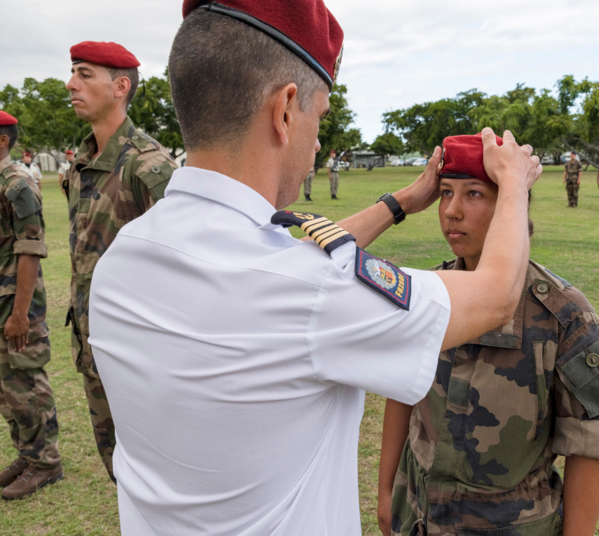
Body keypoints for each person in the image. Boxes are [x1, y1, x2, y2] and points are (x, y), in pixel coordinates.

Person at [87, 1, 540, 534]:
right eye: (318, 115)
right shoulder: (312, 295)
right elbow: (496, 294)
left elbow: (288, 262)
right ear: (284, 111)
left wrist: (398, 204)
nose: (318, 140)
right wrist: (514, 182)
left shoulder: (122, 258)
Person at [378, 134, 599, 536]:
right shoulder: (428, 292)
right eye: (445, 193)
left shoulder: (564, 315)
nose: (452, 211)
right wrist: (387, 491)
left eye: (474, 194)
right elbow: (401, 392)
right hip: (418, 516)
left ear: (512, 203)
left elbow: (588, 444)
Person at [63, 40, 178, 482]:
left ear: (120, 87)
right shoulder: (83, 162)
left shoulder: (149, 166)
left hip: (138, 354)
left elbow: (180, 268)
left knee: (153, 468)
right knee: (116, 464)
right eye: (72, 73)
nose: (71, 84)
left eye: (84, 74)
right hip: (93, 340)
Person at [0, 109, 63, 500]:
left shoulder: (17, 184)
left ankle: (46, 463)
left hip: (14, 307)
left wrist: (21, 315)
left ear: (1, 141)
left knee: (26, 386)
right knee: (2, 389)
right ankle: (27, 454)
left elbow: (30, 251)